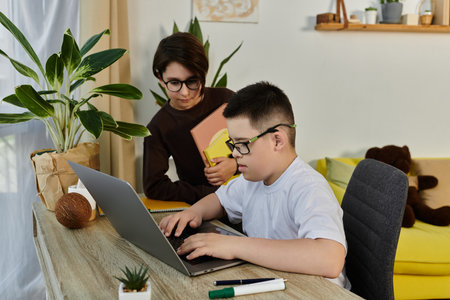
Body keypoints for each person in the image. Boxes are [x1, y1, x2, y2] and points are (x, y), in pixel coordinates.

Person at [158, 82, 349, 288]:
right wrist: (194, 213)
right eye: (233, 144)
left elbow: (330, 259)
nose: (235, 153)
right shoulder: (252, 180)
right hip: (278, 284)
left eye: (242, 144)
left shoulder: (308, 187)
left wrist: (235, 245)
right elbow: (220, 200)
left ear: (277, 141)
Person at [143, 32, 238, 204]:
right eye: (174, 83)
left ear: (202, 75)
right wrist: (208, 194)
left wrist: (235, 165)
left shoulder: (227, 100)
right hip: (205, 208)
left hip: (249, 200)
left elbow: (264, 148)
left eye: (192, 81)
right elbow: (153, 186)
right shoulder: (159, 126)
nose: (185, 92)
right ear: (160, 77)